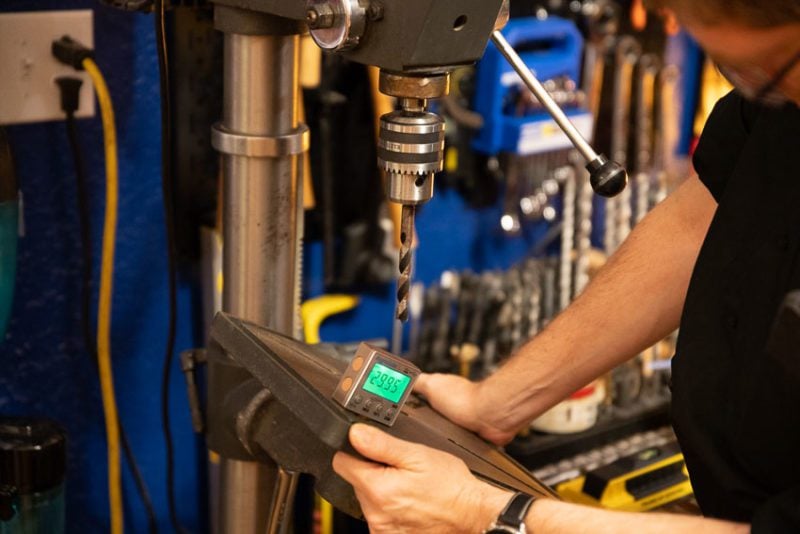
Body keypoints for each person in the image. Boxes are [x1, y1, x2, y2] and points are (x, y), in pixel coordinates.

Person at [332, 1, 800, 532]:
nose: (746, 87)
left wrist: (487, 514)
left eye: (754, 71)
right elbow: (705, 217)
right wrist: (498, 403)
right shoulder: (781, 99)